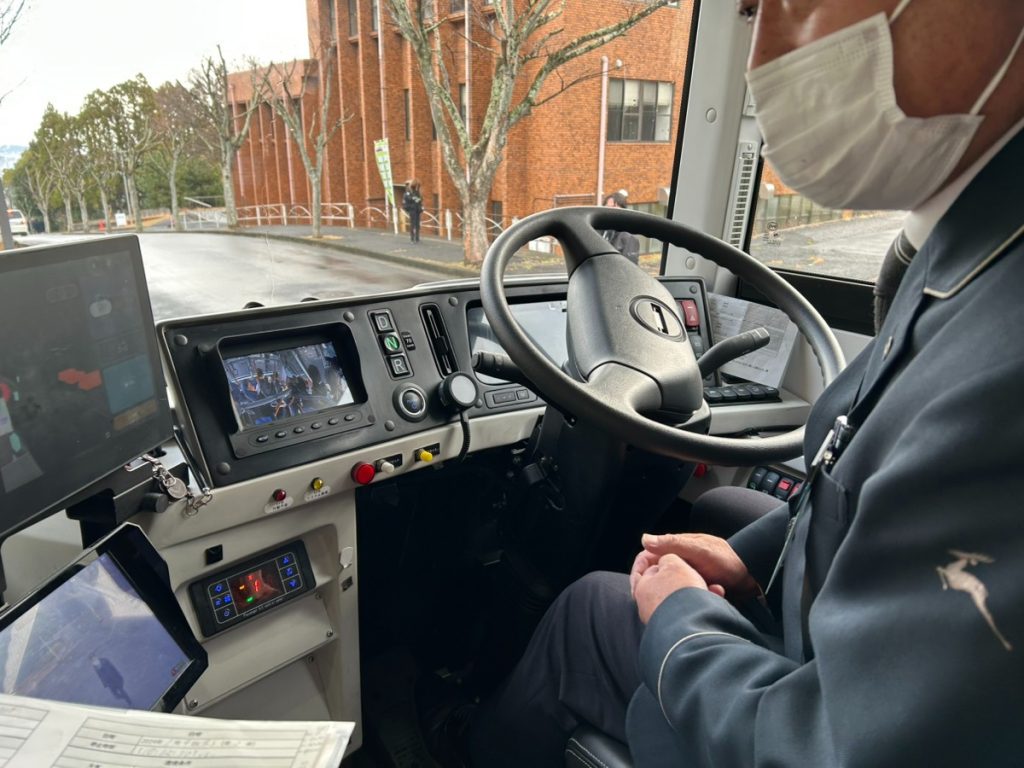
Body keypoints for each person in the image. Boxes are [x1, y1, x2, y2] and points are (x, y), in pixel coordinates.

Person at [455, 2, 1024, 767]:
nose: (762, 55)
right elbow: (865, 477)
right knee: (728, 512)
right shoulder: (975, 245)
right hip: (873, 661)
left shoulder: (1003, 370)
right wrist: (753, 561)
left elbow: (832, 747)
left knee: (590, 607)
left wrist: (678, 620)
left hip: (817, 718)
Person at [600, 191, 640, 265]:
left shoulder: (629, 238)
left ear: (623, 212)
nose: (610, 212)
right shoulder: (599, 230)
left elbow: (629, 267)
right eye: (607, 208)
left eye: (614, 209)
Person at [403, 179, 424, 243]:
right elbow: (410, 199)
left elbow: (420, 200)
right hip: (412, 210)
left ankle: (417, 237)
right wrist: (416, 199)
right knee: (413, 224)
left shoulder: (416, 192)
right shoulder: (407, 193)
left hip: (417, 210)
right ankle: (412, 238)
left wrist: (419, 203)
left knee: (417, 224)